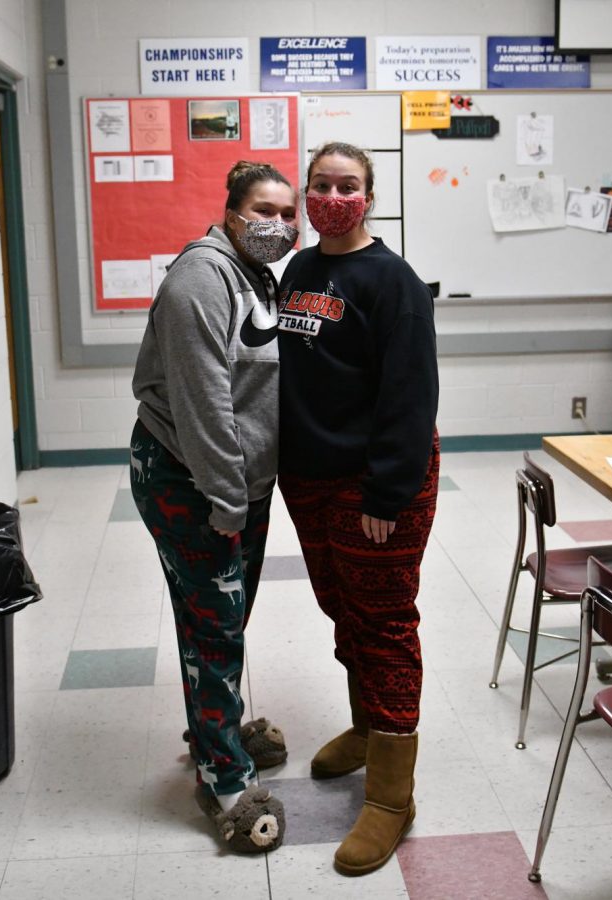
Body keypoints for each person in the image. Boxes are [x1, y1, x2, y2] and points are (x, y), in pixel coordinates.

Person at [277, 142, 439, 876]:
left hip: (375, 483)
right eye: (322, 184)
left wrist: (387, 491)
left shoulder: (392, 282)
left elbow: (410, 395)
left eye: (349, 186)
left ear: (369, 196)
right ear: (306, 192)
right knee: (344, 608)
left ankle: (391, 799)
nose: (333, 196)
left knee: (383, 622)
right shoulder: (302, 270)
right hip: (310, 476)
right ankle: (367, 726)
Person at [130, 161, 298, 854]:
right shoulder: (201, 278)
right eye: (265, 210)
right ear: (231, 212)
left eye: (290, 214)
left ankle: (213, 729)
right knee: (217, 626)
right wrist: (228, 498)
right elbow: (204, 405)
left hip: (236, 481)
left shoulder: (253, 272)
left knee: (217, 620)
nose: (280, 225)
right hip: (192, 481)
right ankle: (226, 779)